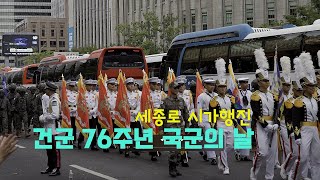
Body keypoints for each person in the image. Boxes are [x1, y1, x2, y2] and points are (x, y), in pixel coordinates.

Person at [250, 48, 279, 180]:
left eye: (268, 81)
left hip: (273, 124)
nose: (267, 83)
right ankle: (254, 171)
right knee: (262, 152)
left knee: (272, 153)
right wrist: (265, 125)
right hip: (261, 125)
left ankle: (269, 176)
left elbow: (277, 111)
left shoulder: (274, 95)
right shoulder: (255, 96)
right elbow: (255, 113)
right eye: (264, 81)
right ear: (259, 82)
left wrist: (276, 123)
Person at [292, 53, 320, 180]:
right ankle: (299, 176)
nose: (313, 88)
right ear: (304, 87)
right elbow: (295, 119)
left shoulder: (316, 100)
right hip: (304, 130)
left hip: (315, 129)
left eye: (314, 85)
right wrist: (297, 135)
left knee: (316, 157)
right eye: (311, 86)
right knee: (303, 157)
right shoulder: (298, 101)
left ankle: (315, 177)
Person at [209, 58, 235, 175]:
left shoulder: (231, 98)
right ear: (217, 88)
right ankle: (226, 166)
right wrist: (213, 126)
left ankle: (221, 158)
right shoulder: (214, 100)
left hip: (229, 123)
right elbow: (212, 114)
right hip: (219, 124)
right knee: (224, 146)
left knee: (231, 145)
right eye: (220, 87)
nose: (223, 89)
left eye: (224, 87)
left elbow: (234, 111)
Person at [160, 81, 189, 177]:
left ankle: (175, 167)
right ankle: (171, 168)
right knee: (173, 149)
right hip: (170, 127)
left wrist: (187, 127)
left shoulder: (181, 100)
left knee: (179, 149)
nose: (177, 90)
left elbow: (186, 114)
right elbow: (160, 116)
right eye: (175, 88)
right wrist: (160, 128)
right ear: (171, 89)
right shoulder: (165, 101)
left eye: (178, 88)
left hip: (180, 127)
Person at [40, 82, 61, 176]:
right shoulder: (50, 98)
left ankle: (56, 168)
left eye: (46, 89)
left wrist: (44, 117)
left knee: (55, 150)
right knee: (49, 149)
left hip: (53, 129)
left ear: (50, 90)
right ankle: (50, 166)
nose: (45, 91)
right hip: (48, 128)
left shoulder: (54, 100)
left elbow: (55, 115)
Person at [197, 77, 218, 165]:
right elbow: (199, 109)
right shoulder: (201, 96)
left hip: (215, 117)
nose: (212, 87)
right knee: (210, 136)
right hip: (205, 116)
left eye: (213, 85)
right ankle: (212, 157)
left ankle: (203, 149)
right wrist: (200, 121)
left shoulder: (216, 95)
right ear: (205, 85)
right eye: (209, 85)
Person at [176, 76, 194, 167]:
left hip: (187, 120)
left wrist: (190, 117)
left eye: (182, 85)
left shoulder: (188, 94)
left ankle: (183, 154)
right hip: (177, 121)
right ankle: (183, 158)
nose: (181, 87)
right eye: (179, 85)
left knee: (186, 138)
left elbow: (191, 107)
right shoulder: (173, 95)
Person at [78, 79, 99, 151]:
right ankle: (80, 141)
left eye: (91, 85)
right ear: (85, 86)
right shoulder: (83, 94)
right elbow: (80, 105)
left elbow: (97, 104)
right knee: (84, 128)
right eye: (89, 85)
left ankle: (93, 144)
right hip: (85, 114)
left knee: (93, 129)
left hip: (93, 114)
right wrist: (86, 111)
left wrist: (93, 111)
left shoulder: (94, 95)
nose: (90, 87)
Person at [235, 77, 252, 161]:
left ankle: (245, 154)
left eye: (246, 83)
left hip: (248, 113)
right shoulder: (237, 93)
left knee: (247, 133)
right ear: (240, 84)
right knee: (241, 133)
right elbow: (236, 104)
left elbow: (252, 104)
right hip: (240, 113)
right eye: (243, 83)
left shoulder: (250, 93)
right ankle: (238, 152)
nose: (245, 84)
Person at [126, 77, 141, 157]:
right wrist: (128, 111)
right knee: (128, 133)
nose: (131, 86)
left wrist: (136, 111)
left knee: (137, 132)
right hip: (127, 115)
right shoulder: (124, 94)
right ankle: (127, 149)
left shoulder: (137, 94)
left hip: (135, 115)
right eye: (129, 84)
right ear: (126, 86)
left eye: (132, 84)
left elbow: (139, 104)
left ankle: (136, 148)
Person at [66, 81, 77, 145]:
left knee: (74, 126)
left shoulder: (76, 94)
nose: (72, 87)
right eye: (71, 86)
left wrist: (76, 109)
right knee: (68, 125)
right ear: (69, 86)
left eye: (73, 86)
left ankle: (73, 139)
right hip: (68, 110)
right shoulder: (66, 93)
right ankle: (68, 138)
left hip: (75, 110)